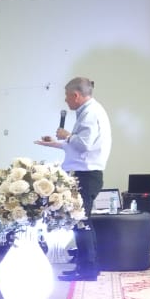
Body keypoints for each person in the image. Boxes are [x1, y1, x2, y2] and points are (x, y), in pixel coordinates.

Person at [36, 76, 112, 281]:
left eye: (67, 96)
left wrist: (67, 136)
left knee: (82, 223)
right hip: (86, 173)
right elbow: (79, 147)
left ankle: (87, 269)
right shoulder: (90, 111)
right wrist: (54, 143)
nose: (65, 100)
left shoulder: (89, 114)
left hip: (86, 176)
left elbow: (84, 144)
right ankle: (87, 266)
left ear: (76, 95)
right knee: (82, 222)